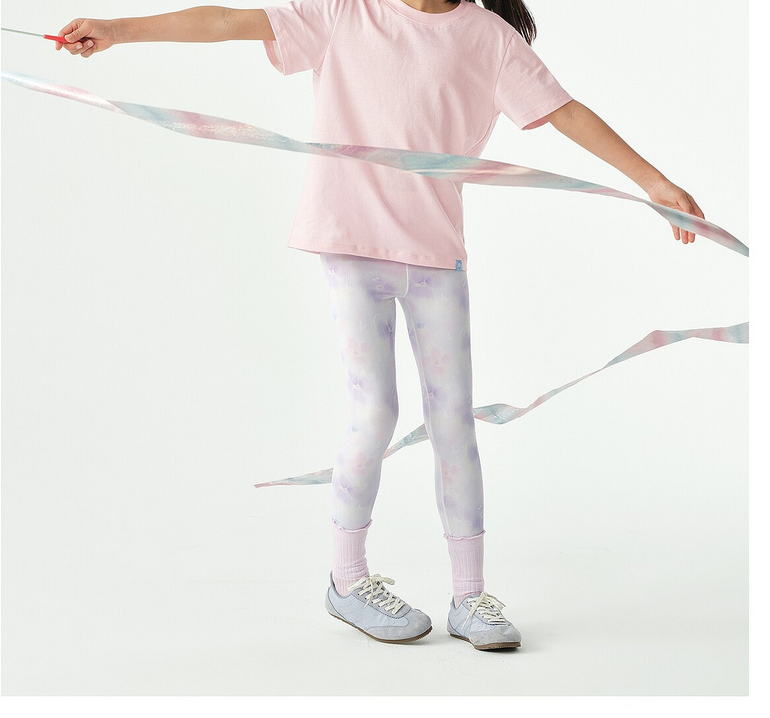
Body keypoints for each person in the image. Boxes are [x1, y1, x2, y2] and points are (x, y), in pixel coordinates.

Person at [56, 0, 704, 651]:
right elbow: (231, 22)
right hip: (350, 241)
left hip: (434, 252)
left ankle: (470, 595)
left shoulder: (488, 37)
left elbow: (562, 110)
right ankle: (347, 579)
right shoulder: (346, 11)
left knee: (453, 420)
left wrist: (655, 183)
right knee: (376, 411)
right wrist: (117, 31)